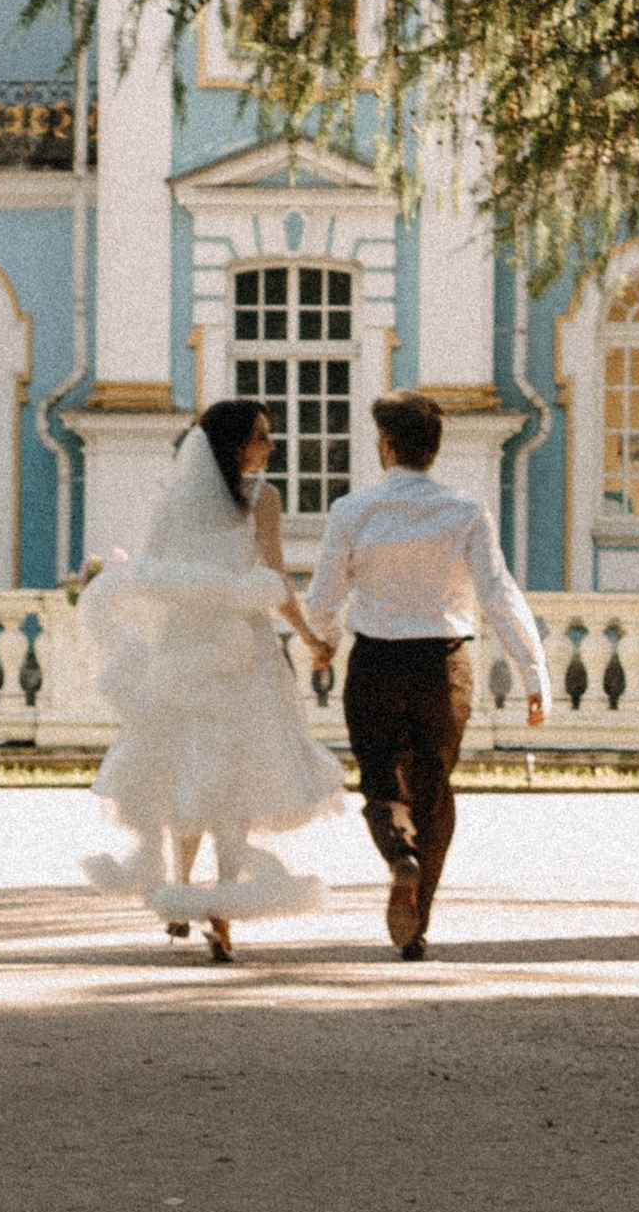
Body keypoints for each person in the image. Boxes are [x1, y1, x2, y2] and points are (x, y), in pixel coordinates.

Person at [76, 398, 343, 963]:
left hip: (185, 647)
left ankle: (185, 893)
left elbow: (156, 573)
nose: (271, 447)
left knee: (188, 760)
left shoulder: (176, 500)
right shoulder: (260, 500)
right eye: (262, 438)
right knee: (232, 768)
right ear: (234, 445)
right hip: (240, 651)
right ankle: (217, 910)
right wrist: (307, 636)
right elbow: (273, 579)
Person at [303, 390, 550, 958]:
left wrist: (323, 643)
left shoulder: (352, 510)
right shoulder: (466, 511)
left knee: (382, 778)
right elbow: (497, 593)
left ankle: (397, 854)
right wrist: (534, 673)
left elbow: (324, 596)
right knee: (435, 790)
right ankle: (420, 922)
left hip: (377, 663)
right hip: (444, 665)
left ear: (385, 446)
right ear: (434, 450)